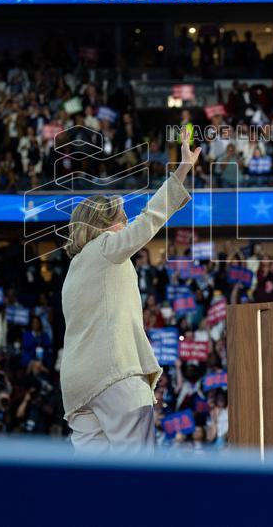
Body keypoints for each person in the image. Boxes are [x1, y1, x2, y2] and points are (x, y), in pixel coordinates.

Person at [61, 135, 201, 454]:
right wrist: (180, 173)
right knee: (137, 472)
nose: (126, 225)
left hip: (76, 387)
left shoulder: (73, 270)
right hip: (114, 376)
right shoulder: (105, 248)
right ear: (103, 226)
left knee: (93, 483)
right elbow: (149, 220)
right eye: (121, 220)